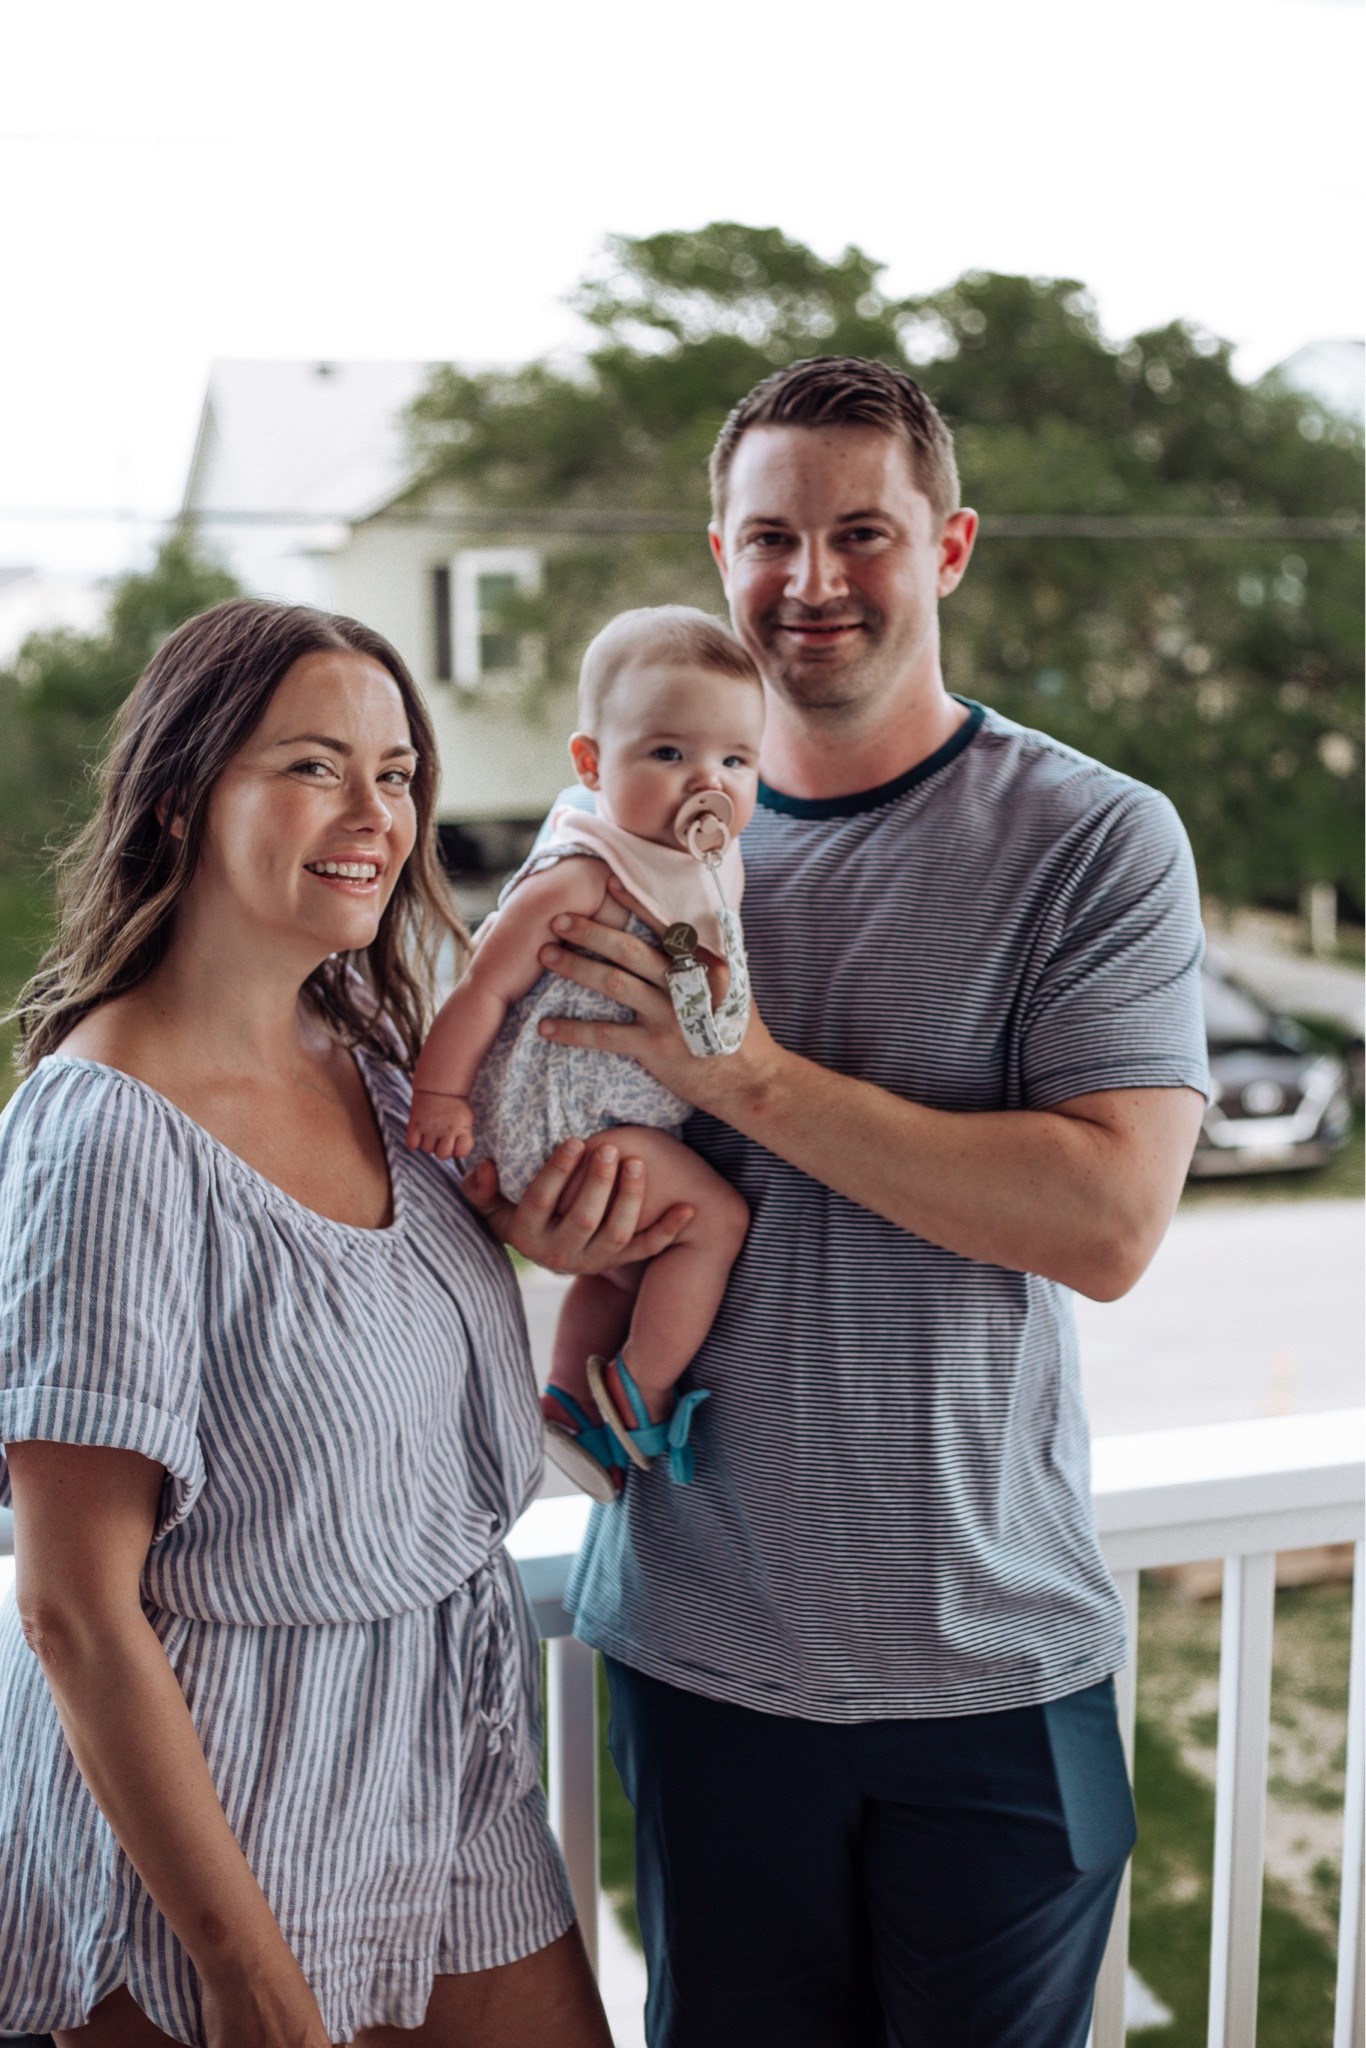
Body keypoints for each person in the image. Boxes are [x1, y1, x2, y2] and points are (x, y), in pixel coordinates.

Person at [466, 357, 1209, 2046]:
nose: (812, 580)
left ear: (946, 545)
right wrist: (554, 1221)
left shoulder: (1093, 839)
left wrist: (748, 1079)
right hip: (706, 1653)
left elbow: (1106, 1223)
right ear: (718, 556)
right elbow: (528, 1128)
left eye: (860, 532)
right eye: (770, 537)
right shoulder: (612, 854)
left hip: (998, 1666)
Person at [0, 598, 677, 2048]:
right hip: (219, 1820)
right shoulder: (109, 1133)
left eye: (396, 772)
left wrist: (569, 1244)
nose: (374, 813)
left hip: (449, 1766)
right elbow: (71, 1608)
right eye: (312, 765)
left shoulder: (376, 1064)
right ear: (180, 798)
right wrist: (244, 1978)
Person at [408, 607, 759, 1501]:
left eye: (735, 760)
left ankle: (567, 1403)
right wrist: (441, 1096)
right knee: (714, 1224)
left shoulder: (701, 870)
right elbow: (482, 987)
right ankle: (642, 1390)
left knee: (630, 1266)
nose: (707, 782)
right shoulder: (582, 872)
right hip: (563, 1119)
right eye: (669, 753)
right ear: (592, 765)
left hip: (603, 1120)